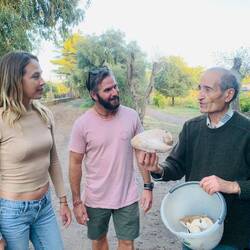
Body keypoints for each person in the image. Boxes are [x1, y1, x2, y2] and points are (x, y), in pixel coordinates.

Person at [139, 67, 250, 249]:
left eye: (207, 89)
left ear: (228, 94)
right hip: (194, 232)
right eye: (200, 88)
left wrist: (229, 185)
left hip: (233, 237)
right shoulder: (191, 127)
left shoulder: (246, 132)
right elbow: (176, 165)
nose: (199, 95)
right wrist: (158, 169)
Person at [68, 66, 153, 250]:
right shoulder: (82, 124)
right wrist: (76, 202)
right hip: (96, 198)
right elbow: (75, 163)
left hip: (127, 196)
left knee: (127, 243)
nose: (115, 92)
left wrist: (147, 186)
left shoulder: (131, 116)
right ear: (93, 95)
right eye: (107, 90)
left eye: (115, 87)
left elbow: (141, 153)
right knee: (99, 241)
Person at [0, 51, 71, 250]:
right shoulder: (1, 119)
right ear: (16, 80)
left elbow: (54, 161)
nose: (42, 81)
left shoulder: (44, 114)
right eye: (35, 76)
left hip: (44, 207)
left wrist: (63, 200)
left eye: (41, 75)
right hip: (12, 213)